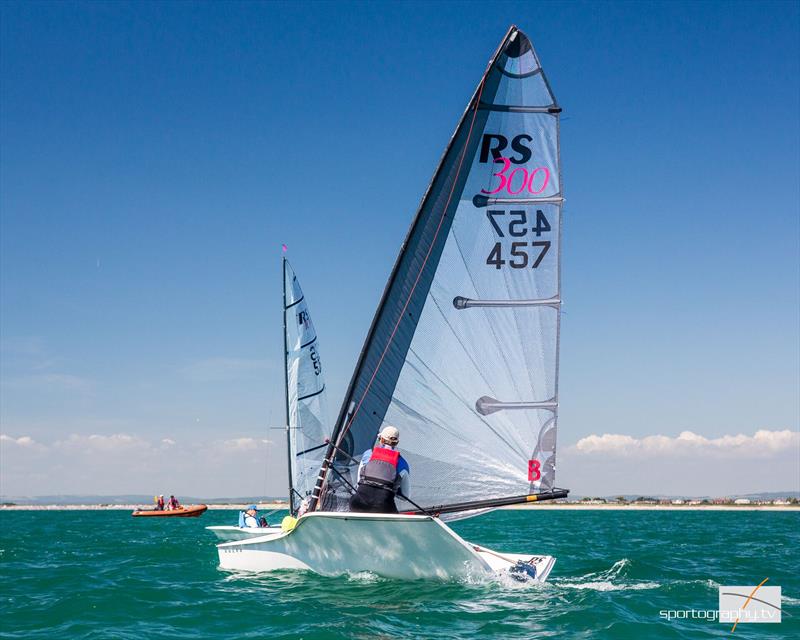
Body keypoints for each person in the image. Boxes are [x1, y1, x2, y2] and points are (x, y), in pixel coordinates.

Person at [349, 426, 410, 514]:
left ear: (380, 439)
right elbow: (405, 497)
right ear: (396, 443)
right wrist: (394, 490)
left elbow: (359, 482)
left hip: (358, 505)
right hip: (384, 509)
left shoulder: (368, 454)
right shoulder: (403, 464)